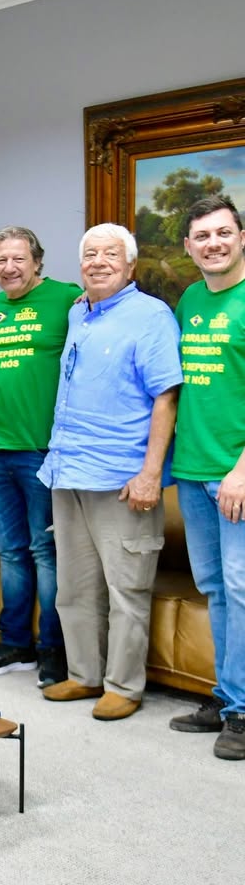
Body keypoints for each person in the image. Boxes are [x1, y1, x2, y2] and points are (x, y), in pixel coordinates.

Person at [39, 223, 181, 720]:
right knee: (74, 588)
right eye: (90, 254)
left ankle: (124, 685)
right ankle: (84, 675)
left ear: (131, 265)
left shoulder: (152, 316)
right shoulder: (80, 312)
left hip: (122, 478)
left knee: (127, 589)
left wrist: (150, 475)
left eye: (110, 254)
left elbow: (167, 397)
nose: (98, 262)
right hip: (67, 470)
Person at [0, 226, 81, 687]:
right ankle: (15, 643)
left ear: (37, 261)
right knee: (11, 551)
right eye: (1, 260)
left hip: (42, 450)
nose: (10, 267)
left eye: (19, 258)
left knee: (46, 552)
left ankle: (53, 649)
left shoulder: (68, 298)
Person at [170, 194, 245, 759]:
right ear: (189, 247)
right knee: (216, 588)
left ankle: (242, 711)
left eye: (223, 233)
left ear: (241, 238)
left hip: (235, 474)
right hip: (192, 469)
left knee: (241, 590)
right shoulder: (190, 299)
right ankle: (227, 697)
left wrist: (242, 469)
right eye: (202, 236)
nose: (213, 243)